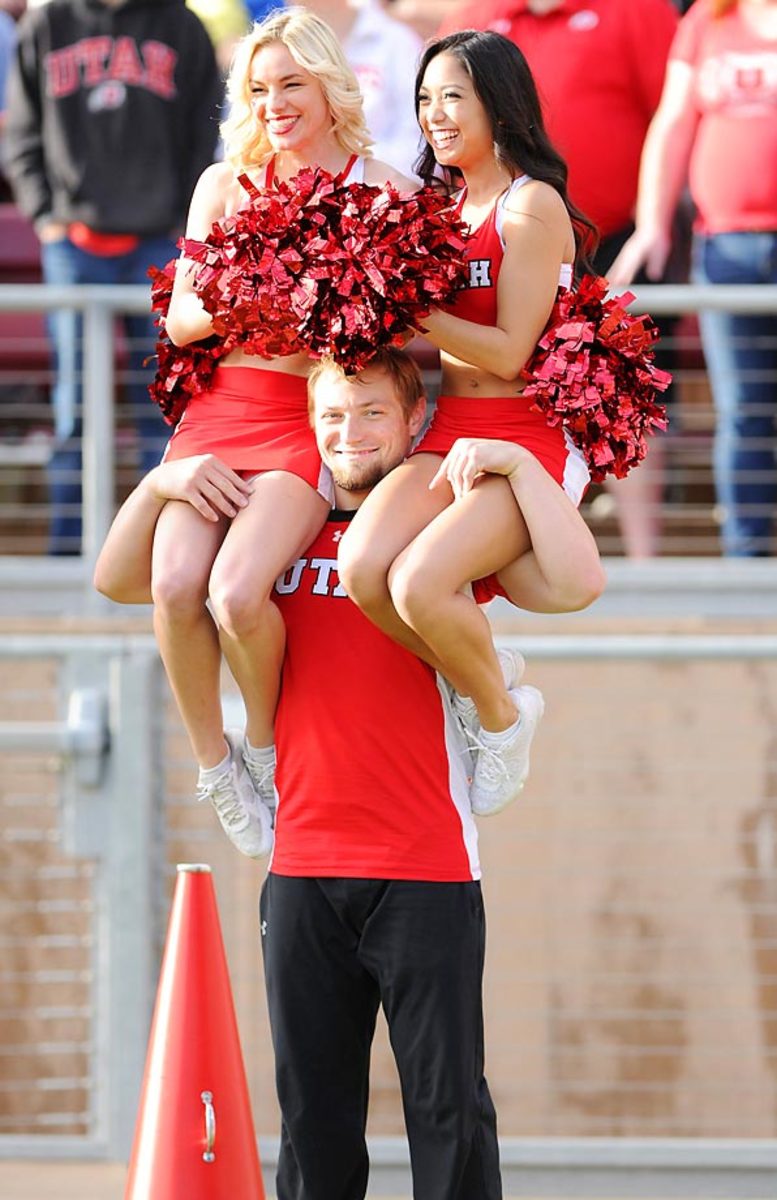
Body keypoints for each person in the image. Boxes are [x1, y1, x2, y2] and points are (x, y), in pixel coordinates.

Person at [94, 346, 605, 1199]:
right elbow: (118, 584)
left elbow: (567, 584)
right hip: (299, 871)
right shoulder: (260, 537)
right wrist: (160, 484)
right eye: (332, 413)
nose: (350, 431)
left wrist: (520, 464)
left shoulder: (433, 538)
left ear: (416, 424)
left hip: (426, 869)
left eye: (373, 412)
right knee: (314, 1119)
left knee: (449, 1115)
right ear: (307, 424)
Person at [118, 8, 410, 856]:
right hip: (219, 413)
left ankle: (264, 744)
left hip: (299, 421)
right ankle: (217, 771)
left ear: (327, 85)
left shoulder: (380, 185)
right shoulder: (223, 183)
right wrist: (279, 280)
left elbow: (401, 329)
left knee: (236, 592)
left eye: (290, 84)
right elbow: (180, 321)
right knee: (175, 586)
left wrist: (331, 291)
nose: (274, 103)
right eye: (258, 89)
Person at [337, 30, 604, 818]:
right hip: (450, 427)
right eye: (423, 100)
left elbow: (513, 352)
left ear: (499, 102)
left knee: (420, 583)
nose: (434, 115)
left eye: (452, 96)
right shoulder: (439, 208)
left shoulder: (530, 204)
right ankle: (483, 669)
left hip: (521, 433)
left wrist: (413, 310)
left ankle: (499, 716)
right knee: (361, 569)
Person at [437, 0, 681, 558]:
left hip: (615, 237)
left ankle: (645, 562)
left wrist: (652, 220)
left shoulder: (634, 10)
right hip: (497, 235)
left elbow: (669, 112)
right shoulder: (476, 13)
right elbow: (439, 116)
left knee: (624, 384)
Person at [4, 0, 222, 554]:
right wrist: (46, 217)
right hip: (75, 244)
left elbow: (207, 129)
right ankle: (69, 549)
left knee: (162, 404)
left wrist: (185, 221)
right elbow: (23, 130)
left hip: (158, 241)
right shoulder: (48, 25)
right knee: (73, 405)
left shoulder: (180, 24)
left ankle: (160, 548)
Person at [609, 0, 777, 557]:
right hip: (727, 246)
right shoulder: (708, 19)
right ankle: (746, 562)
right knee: (744, 410)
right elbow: (674, 120)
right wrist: (651, 224)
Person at [303, 0, 423, 176]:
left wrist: (354, 171)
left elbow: (420, 141)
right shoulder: (280, 45)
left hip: (387, 191)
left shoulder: (395, 41)